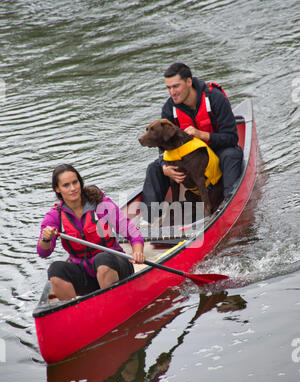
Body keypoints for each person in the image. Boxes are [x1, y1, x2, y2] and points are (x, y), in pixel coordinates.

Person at [141, 62, 243, 221]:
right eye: (168, 88)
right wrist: (164, 167)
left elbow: (232, 138)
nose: (172, 92)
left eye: (176, 86)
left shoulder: (215, 98)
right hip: (188, 158)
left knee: (231, 155)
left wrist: (203, 135)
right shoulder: (168, 109)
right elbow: (163, 149)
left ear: (189, 82)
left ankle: (228, 204)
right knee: (154, 168)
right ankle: (149, 219)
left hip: (218, 150)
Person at [37, 164, 145, 301]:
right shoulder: (55, 216)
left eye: (75, 182)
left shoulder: (101, 204)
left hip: (114, 266)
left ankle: (111, 303)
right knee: (55, 269)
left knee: (102, 259)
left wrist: (138, 251)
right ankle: (73, 311)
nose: (73, 188)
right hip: (85, 275)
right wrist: (46, 239)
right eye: (66, 185)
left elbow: (132, 232)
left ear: (80, 182)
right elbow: (43, 252)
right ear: (57, 189)